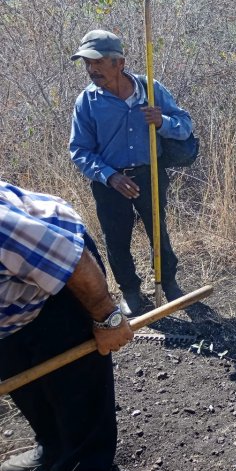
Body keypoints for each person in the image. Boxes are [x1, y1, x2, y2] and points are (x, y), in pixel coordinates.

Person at [0, 180, 133, 471]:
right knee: (25, 386)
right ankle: (54, 449)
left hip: (61, 276)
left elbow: (71, 261)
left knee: (78, 392)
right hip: (10, 304)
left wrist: (106, 319)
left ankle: (85, 468)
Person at [69, 30, 194, 316]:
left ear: (119, 63)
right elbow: (79, 150)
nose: (91, 69)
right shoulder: (86, 102)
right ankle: (130, 291)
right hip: (109, 182)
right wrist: (111, 176)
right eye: (87, 63)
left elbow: (185, 124)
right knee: (116, 237)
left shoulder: (150, 89)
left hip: (150, 172)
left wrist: (162, 121)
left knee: (157, 229)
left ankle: (169, 282)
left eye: (97, 62)